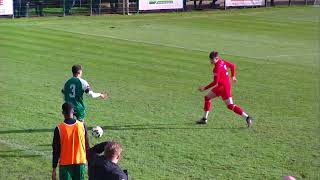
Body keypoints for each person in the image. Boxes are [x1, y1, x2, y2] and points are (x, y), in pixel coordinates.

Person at [197, 51, 253, 127]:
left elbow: (215, 82)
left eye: (212, 59)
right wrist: (233, 76)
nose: (211, 61)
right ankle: (204, 119)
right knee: (207, 98)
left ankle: (247, 117)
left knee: (230, 105)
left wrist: (204, 88)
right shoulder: (222, 61)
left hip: (223, 88)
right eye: (210, 59)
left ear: (217, 58)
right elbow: (232, 66)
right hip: (223, 86)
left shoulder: (216, 68)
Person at [52, 102, 90, 180]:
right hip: (80, 163)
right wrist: (90, 164)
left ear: (62, 113)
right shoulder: (82, 126)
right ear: (73, 111)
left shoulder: (59, 128)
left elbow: (56, 150)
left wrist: (54, 169)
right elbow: (87, 146)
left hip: (65, 165)